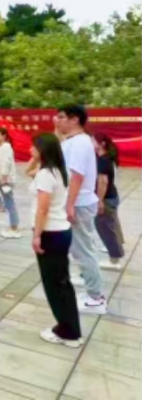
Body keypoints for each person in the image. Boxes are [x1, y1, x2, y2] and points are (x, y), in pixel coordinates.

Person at [31, 133, 83, 348]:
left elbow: (43, 208)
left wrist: (37, 235)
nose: (30, 150)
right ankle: (71, 329)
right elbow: (28, 172)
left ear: (43, 150)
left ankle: (67, 333)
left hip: (50, 233)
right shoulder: (58, 171)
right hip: (61, 231)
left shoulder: (45, 174)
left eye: (34, 147)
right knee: (63, 283)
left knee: (54, 286)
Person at [55, 105, 107, 315]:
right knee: (81, 249)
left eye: (61, 117)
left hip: (79, 202)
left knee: (84, 250)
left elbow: (76, 175)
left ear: (74, 119)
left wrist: (69, 204)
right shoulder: (74, 141)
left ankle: (96, 298)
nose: (57, 120)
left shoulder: (80, 143)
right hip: (78, 201)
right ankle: (91, 288)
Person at [94, 134, 125, 272]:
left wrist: (99, 200)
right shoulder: (108, 158)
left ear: (102, 144)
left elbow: (103, 181)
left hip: (106, 199)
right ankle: (117, 247)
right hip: (112, 196)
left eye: (93, 141)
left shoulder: (102, 160)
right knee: (113, 226)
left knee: (106, 229)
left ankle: (114, 259)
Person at [0, 128, 21, 239]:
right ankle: (13, 226)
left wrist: (3, 179)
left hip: (6, 180)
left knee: (10, 203)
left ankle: (14, 228)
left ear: (4, 136)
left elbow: (6, 163)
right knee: (8, 203)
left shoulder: (6, 147)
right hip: (1, 179)